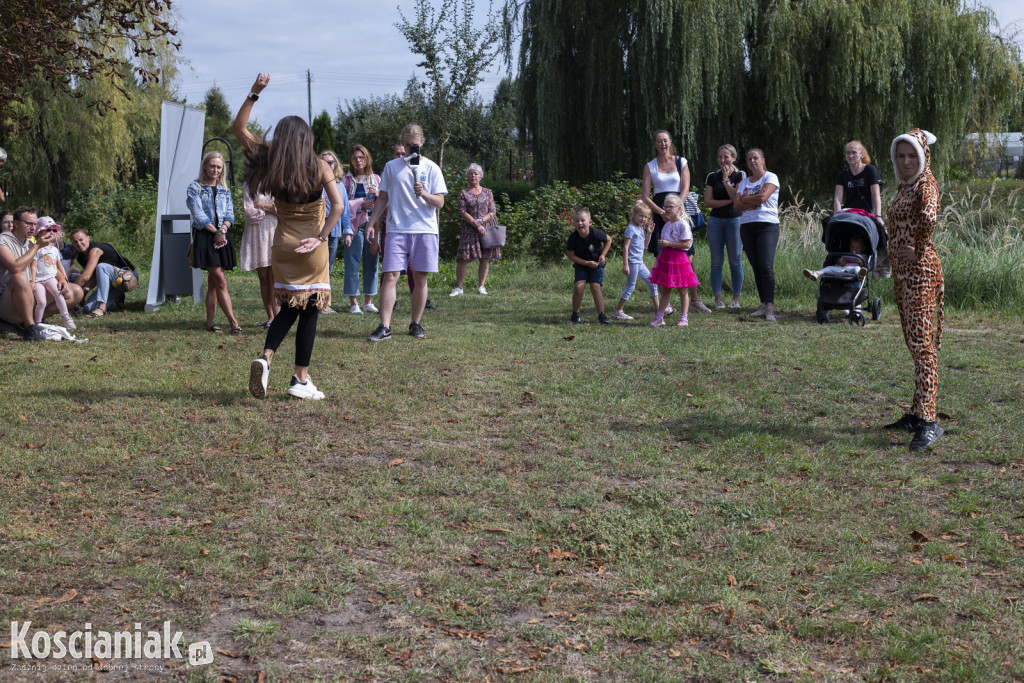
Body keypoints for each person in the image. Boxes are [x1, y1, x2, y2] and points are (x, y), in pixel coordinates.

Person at [233, 73, 345, 400]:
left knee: (291, 309)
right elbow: (337, 206)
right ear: (306, 139)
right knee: (308, 311)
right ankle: (300, 380)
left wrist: (254, 92)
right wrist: (322, 237)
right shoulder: (319, 167)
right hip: (312, 249)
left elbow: (239, 129)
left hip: (281, 248)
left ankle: (266, 359)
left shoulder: (271, 160)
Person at [883, 128, 945, 450]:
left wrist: (919, 247)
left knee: (923, 348)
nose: (906, 162)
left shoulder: (926, 185)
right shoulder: (905, 186)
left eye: (912, 156)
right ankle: (917, 412)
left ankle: (930, 421)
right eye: (901, 156)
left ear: (923, 157)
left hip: (920, 274)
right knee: (914, 344)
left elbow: (929, 217)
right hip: (904, 276)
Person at [365, 124, 447, 341]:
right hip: (397, 229)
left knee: (420, 278)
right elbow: (382, 198)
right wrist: (372, 222)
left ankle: (416, 323)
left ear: (422, 143)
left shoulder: (432, 168)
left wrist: (425, 194)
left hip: (425, 230)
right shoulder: (392, 167)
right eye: (408, 144)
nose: (412, 148)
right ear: (403, 143)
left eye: (415, 145)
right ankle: (384, 326)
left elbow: (440, 202)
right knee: (390, 276)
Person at [641, 129, 711, 313]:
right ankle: (668, 303)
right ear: (655, 145)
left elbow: (685, 188)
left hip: (679, 211)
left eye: (665, 141)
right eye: (658, 141)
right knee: (663, 258)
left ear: (670, 142)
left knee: (688, 257)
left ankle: (694, 300)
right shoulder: (650, 166)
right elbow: (646, 196)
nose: (662, 144)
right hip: (660, 212)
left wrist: (676, 209)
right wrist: (661, 212)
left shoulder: (681, 162)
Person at [0, 206, 84, 340]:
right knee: (20, 278)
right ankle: (29, 328)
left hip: (30, 295)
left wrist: (62, 277)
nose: (33, 228)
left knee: (76, 291)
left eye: (35, 224)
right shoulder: (3, 240)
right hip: (8, 302)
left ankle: (36, 321)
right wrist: (37, 246)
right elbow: (15, 267)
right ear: (16, 223)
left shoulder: (30, 243)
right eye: (28, 223)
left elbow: (48, 265)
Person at [186, 151, 241, 333]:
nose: (215, 170)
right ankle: (234, 323)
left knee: (213, 282)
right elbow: (199, 215)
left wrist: (223, 230)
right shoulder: (195, 188)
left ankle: (209, 324)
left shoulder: (225, 189)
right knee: (220, 280)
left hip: (223, 236)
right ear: (204, 166)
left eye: (219, 167)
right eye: (212, 166)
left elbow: (230, 214)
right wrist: (216, 231)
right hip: (205, 236)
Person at [726, 148, 780, 322]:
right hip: (747, 226)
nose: (752, 161)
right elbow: (736, 206)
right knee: (756, 267)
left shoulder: (770, 177)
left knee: (766, 266)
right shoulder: (744, 182)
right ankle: (763, 303)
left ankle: (770, 306)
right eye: (749, 159)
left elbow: (762, 198)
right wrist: (751, 198)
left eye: (755, 158)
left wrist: (745, 199)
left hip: (767, 226)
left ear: (763, 160)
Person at [703, 144, 746, 309]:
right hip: (715, 221)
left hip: (735, 221)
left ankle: (736, 299)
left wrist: (727, 180)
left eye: (726, 157)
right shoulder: (712, 176)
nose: (723, 160)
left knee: (735, 261)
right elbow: (708, 202)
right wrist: (729, 201)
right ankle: (718, 299)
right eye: (720, 157)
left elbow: (738, 197)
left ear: (734, 158)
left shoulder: (740, 175)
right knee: (716, 262)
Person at [648, 194, 699, 327]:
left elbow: (686, 245)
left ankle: (684, 318)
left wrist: (668, 243)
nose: (667, 209)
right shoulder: (666, 225)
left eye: (670, 206)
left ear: (679, 208)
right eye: (665, 207)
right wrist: (663, 245)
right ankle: (659, 317)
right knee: (665, 290)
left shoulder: (683, 225)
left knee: (682, 289)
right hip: (666, 258)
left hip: (679, 259)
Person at [340, 145, 379, 314]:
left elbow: (383, 205)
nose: (358, 160)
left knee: (372, 262)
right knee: (352, 263)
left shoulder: (376, 179)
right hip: (354, 226)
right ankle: (353, 302)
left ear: (367, 158)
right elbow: (341, 205)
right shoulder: (345, 181)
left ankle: (368, 301)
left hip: (372, 224)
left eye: (361, 157)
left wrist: (377, 196)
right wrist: (359, 205)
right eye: (355, 158)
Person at [451, 163, 499, 297]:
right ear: (467, 177)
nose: (473, 176)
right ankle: (459, 288)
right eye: (470, 173)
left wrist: (482, 222)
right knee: (462, 258)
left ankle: (481, 286)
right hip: (469, 229)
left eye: (476, 173)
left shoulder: (488, 192)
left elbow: (493, 211)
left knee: (485, 258)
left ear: (480, 176)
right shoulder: (464, 193)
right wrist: (476, 224)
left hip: (486, 229)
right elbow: (461, 212)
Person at [68, 228, 137, 318]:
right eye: (75, 242)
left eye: (81, 240)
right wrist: (84, 291)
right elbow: (93, 277)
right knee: (88, 308)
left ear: (88, 238)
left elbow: (85, 277)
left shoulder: (95, 250)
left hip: (128, 277)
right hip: (113, 283)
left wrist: (69, 289)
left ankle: (102, 307)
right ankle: (117, 297)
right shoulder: (80, 257)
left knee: (102, 266)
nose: (79, 244)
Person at [241, 181, 280, 329]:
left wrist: (260, 206)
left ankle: (278, 317)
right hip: (256, 233)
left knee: (274, 277)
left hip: (274, 230)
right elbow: (249, 213)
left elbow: (281, 209)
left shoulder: (277, 183)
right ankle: (270, 316)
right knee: (263, 278)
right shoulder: (249, 185)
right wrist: (270, 209)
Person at [611, 201, 659, 320]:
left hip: (640, 263)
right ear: (634, 214)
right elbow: (626, 247)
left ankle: (658, 311)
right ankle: (617, 311)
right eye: (641, 216)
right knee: (630, 287)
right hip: (633, 263)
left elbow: (644, 246)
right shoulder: (631, 229)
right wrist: (625, 265)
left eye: (646, 217)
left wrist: (649, 233)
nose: (643, 219)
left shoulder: (640, 228)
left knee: (652, 283)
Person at [565, 207, 611, 324]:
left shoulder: (596, 233)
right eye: (577, 221)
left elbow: (609, 240)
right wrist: (586, 263)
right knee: (578, 287)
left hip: (597, 265)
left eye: (582, 220)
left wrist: (603, 255)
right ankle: (575, 315)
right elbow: (571, 256)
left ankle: (602, 315)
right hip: (582, 265)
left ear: (589, 222)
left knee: (595, 287)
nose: (580, 223)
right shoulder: (573, 238)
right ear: (573, 223)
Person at [319, 150, 352, 314]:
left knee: (328, 268)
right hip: (316, 230)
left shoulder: (339, 185)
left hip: (334, 231)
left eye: (331, 162)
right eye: (324, 162)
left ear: (336, 164)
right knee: (316, 267)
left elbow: (344, 210)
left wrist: (348, 231)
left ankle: (324, 304)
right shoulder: (315, 183)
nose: (328, 165)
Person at [30, 218, 75, 329]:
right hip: (38, 281)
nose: (51, 232)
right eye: (48, 229)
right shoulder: (37, 248)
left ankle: (66, 317)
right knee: (42, 302)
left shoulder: (54, 250)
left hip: (50, 278)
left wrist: (64, 278)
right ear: (39, 232)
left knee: (59, 294)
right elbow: (34, 265)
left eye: (54, 230)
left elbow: (58, 265)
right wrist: (32, 280)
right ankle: (37, 324)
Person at [834, 140, 883, 220]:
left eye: (854, 152)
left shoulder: (870, 170)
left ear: (862, 155)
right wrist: (837, 216)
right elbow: (837, 199)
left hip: (865, 214)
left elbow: (876, 195)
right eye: (848, 153)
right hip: (848, 213)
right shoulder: (842, 175)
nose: (850, 155)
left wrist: (878, 216)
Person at [803, 236, 869, 281]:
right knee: (829, 268)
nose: (854, 249)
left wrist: (861, 262)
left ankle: (860, 276)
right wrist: (840, 262)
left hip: (853, 269)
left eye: (857, 248)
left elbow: (867, 266)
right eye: (852, 247)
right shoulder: (847, 255)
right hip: (843, 268)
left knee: (857, 269)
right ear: (849, 247)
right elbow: (839, 260)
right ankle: (815, 274)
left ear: (862, 248)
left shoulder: (863, 256)